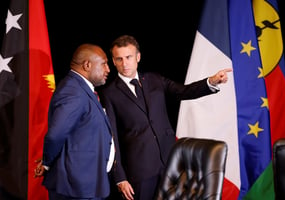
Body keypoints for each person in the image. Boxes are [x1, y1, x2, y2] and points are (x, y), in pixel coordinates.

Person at [100, 35, 232, 200]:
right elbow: (111, 139)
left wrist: (211, 81)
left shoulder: (155, 79)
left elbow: (184, 91)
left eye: (128, 57)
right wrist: (120, 177)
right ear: (113, 61)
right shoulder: (109, 94)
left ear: (138, 57)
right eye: (119, 59)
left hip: (171, 163)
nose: (124, 63)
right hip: (140, 172)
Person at [34, 43, 115, 200]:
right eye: (104, 63)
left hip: (86, 183)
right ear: (87, 65)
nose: (108, 69)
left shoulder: (80, 89)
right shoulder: (73, 92)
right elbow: (55, 135)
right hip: (76, 188)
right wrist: (46, 162)